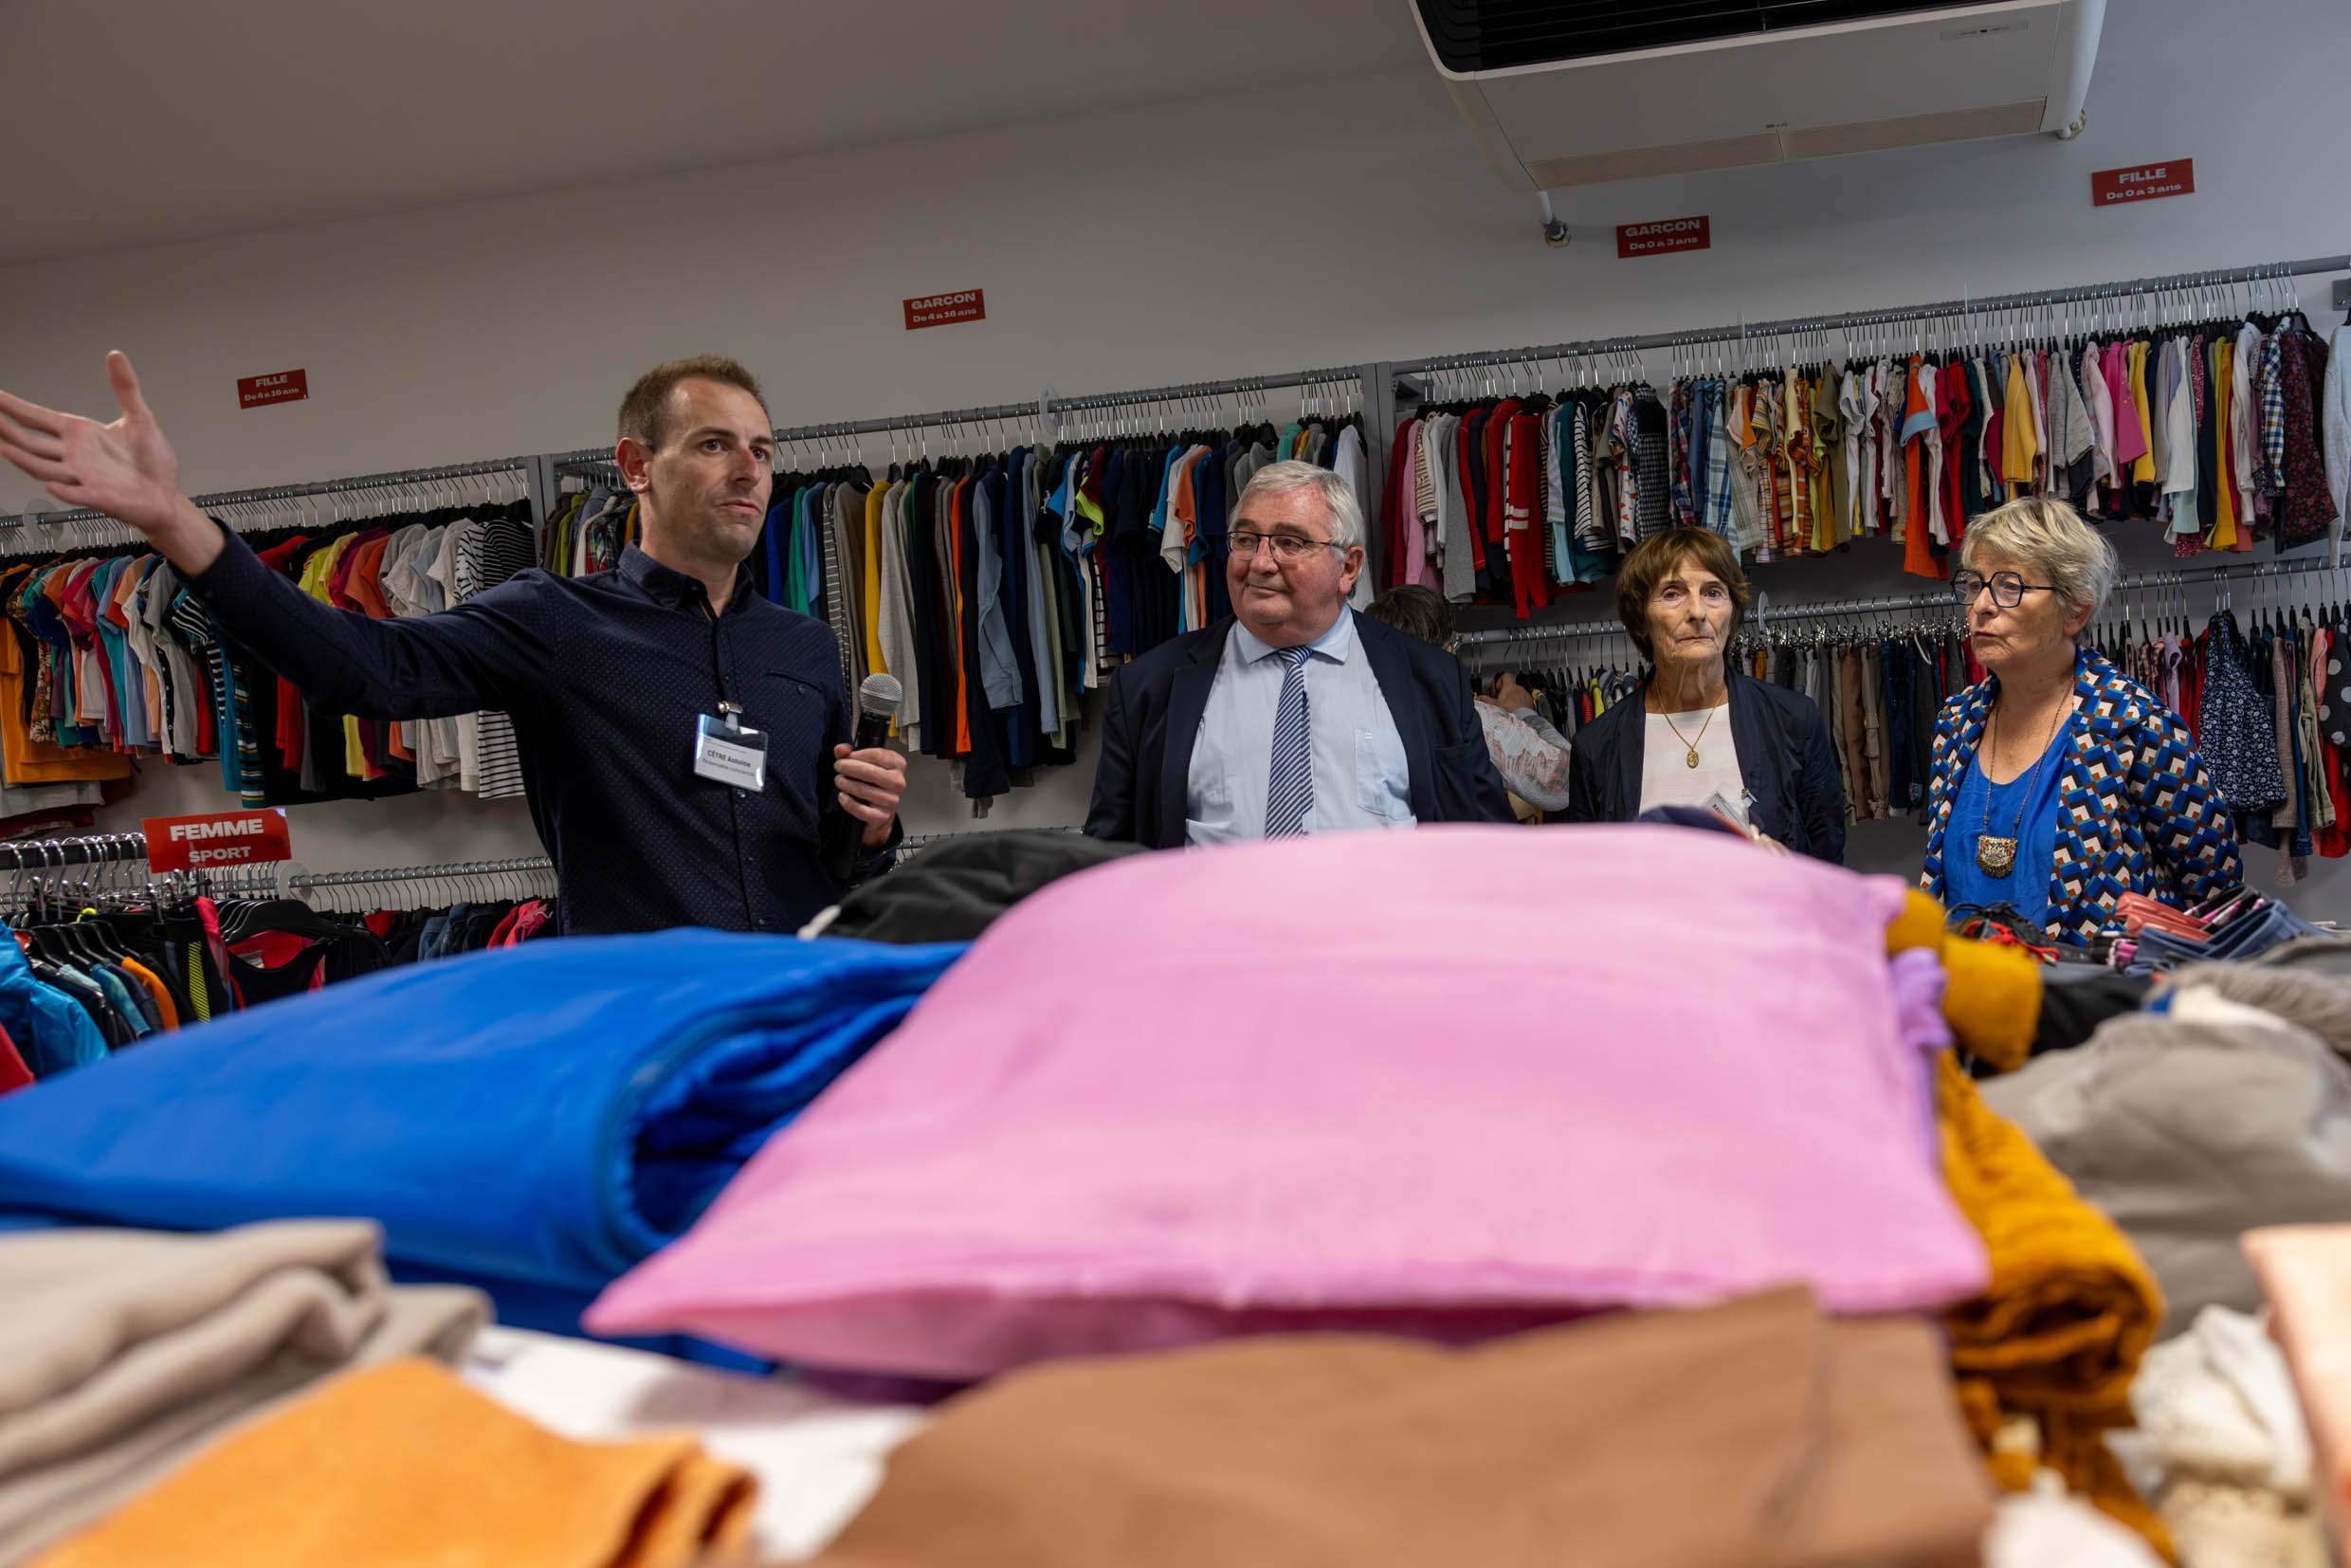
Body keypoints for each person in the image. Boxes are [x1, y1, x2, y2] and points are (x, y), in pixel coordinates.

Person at [0, 352, 906, 936]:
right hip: (637, 1025)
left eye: (761, 447)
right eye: (714, 444)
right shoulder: (556, 621)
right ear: (635, 467)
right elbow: (360, 669)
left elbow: (831, 858)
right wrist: (173, 521)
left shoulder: (805, 647)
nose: (749, 467)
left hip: (798, 1001)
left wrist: (874, 829)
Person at [1085, 461, 1509, 848]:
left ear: (1348, 568)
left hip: (1385, 929)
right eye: (1246, 540)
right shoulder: (1150, 686)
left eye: (1289, 543)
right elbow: (1108, 858)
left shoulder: (1428, 677)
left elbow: (1486, 838)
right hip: (1215, 930)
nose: (1261, 563)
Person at [1922, 496, 2240, 944]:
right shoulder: (1956, 724)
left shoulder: (2135, 726)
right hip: (1972, 999)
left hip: (2098, 1003)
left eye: (2010, 585)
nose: (1981, 606)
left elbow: (2217, 896)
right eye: (1974, 584)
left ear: (2076, 611)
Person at [1564, 527, 1845, 862]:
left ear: (1732, 612)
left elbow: (1828, 862)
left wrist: (1787, 870)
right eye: (1672, 594)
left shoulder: (1794, 721)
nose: (1697, 612)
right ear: (1640, 619)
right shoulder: (1597, 748)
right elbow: (1590, 880)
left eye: (1713, 593)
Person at [1362, 585, 1573, 818]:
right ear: (1448, 652)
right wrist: (1523, 712)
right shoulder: (1477, 721)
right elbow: (1566, 782)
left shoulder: (1352, 715)